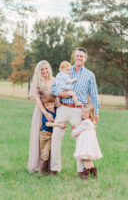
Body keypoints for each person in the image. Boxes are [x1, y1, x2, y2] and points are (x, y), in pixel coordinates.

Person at [50, 47, 100, 175]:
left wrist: (96, 113)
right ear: (74, 57)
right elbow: (54, 87)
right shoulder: (65, 70)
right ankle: (54, 168)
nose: (78, 58)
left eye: (81, 56)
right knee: (56, 136)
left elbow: (94, 95)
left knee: (81, 140)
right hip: (63, 107)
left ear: (85, 59)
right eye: (77, 56)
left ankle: (81, 170)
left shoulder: (89, 75)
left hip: (78, 110)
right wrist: (61, 93)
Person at [28, 60, 55, 173]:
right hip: (41, 112)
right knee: (39, 137)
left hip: (54, 111)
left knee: (52, 139)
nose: (44, 71)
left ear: (49, 69)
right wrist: (45, 113)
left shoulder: (55, 81)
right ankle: (38, 165)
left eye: (46, 68)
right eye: (42, 69)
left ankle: (50, 166)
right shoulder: (37, 82)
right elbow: (37, 100)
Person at [72, 104, 102, 180]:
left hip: (86, 144)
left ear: (90, 114)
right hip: (88, 143)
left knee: (86, 159)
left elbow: (76, 132)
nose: (84, 114)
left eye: (86, 113)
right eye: (83, 112)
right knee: (88, 159)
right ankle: (94, 172)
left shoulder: (86, 123)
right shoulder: (91, 122)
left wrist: (73, 130)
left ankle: (85, 174)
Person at [39, 94, 66, 175]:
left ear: (54, 102)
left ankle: (41, 172)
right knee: (44, 152)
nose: (49, 106)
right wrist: (58, 124)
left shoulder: (57, 110)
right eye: (47, 105)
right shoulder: (46, 113)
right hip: (43, 135)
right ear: (44, 105)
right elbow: (47, 124)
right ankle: (45, 169)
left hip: (51, 136)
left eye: (51, 104)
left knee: (46, 152)